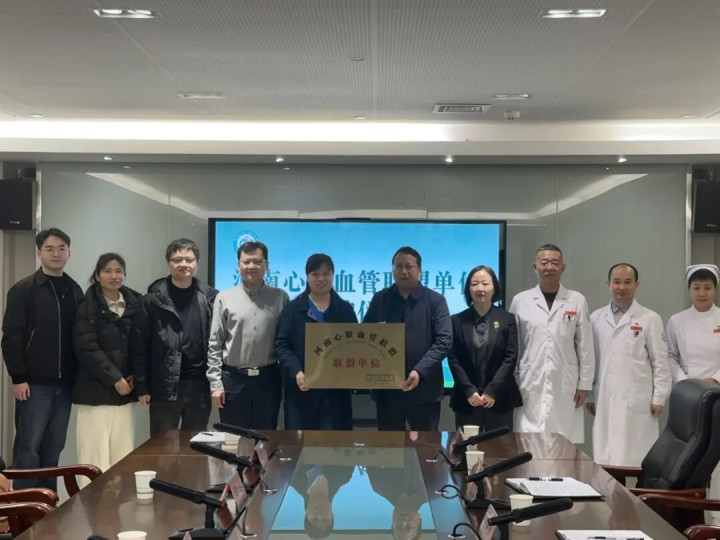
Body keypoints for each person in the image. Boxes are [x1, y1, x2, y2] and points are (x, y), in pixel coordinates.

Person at [1, 228, 83, 490]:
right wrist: (18, 377)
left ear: (69, 253)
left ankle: (48, 503)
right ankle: (24, 505)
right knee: (28, 447)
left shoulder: (74, 289)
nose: (56, 253)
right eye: (49, 248)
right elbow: (11, 338)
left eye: (61, 248)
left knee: (54, 447)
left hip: (66, 384)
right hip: (33, 385)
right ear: (39, 253)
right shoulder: (23, 290)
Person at [587, 263, 671, 467]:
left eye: (627, 282)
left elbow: (660, 362)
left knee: (639, 462)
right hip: (604, 398)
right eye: (617, 282)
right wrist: (589, 395)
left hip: (637, 402)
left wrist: (659, 397)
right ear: (608, 284)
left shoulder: (650, 319)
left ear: (636, 285)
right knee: (607, 463)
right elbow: (591, 361)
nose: (621, 287)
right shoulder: (596, 318)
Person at [509, 244, 594, 444]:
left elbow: (586, 346)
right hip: (529, 380)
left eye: (555, 263)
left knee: (562, 441)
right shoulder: (521, 301)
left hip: (565, 383)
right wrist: (511, 381)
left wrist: (584, 384)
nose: (549, 267)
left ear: (562, 268)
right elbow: (512, 346)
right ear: (535, 267)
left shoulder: (577, 300)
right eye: (544, 262)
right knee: (528, 441)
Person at [131, 239, 217, 435]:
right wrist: (142, 387)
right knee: (163, 445)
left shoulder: (210, 298)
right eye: (177, 260)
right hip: (165, 384)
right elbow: (139, 346)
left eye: (189, 259)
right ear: (168, 263)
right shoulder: (152, 300)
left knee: (195, 444)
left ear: (196, 263)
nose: (184, 264)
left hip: (200, 385)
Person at [363, 247, 452, 431]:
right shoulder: (380, 299)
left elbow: (444, 341)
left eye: (409, 267)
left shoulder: (435, 300)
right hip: (387, 392)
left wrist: (419, 371)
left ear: (420, 270)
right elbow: (365, 336)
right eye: (398, 266)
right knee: (389, 446)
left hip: (425, 390)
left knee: (425, 446)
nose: (403, 271)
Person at [73, 253, 142, 485]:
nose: (114, 276)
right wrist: (114, 378)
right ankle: (92, 503)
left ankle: (120, 504)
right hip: (94, 391)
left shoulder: (136, 303)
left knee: (124, 453)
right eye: (108, 271)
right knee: (94, 454)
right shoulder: (86, 305)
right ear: (97, 275)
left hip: (126, 391)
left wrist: (135, 375)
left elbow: (141, 344)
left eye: (119, 271)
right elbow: (86, 347)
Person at [207, 241, 288, 429]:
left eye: (257, 262)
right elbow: (215, 344)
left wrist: (286, 384)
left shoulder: (280, 298)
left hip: (268, 379)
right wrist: (215, 384)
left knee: (265, 437)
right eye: (246, 262)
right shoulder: (224, 297)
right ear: (239, 265)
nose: (251, 266)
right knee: (234, 437)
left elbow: (285, 344)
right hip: (233, 379)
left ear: (266, 265)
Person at [276, 253, 358, 430]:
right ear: (307, 277)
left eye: (326, 274)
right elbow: (282, 345)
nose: (321, 279)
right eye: (315, 274)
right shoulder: (293, 309)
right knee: (302, 442)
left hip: (336, 391)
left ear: (333, 275)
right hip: (302, 389)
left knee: (335, 440)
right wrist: (297, 371)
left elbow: (355, 346)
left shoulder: (345, 310)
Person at [666, 264, 720, 523]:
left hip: (718, 393)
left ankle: (716, 519)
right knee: (690, 457)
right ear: (689, 290)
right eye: (696, 288)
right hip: (689, 399)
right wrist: (686, 383)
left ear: (715, 290)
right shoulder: (677, 321)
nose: (702, 293)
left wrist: (715, 379)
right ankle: (689, 518)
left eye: (707, 288)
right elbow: (670, 356)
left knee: (717, 457)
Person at [448, 265, 522, 431]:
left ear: (494, 288)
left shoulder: (507, 319)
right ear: (468, 289)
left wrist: (492, 391)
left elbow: (510, 358)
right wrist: (469, 390)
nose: (479, 288)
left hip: (499, 398)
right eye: (474, 284)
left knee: (500, 446)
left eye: (485, 283)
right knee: (467, 445)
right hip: (467, 399)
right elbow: (453, 359)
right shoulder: (457, 320)